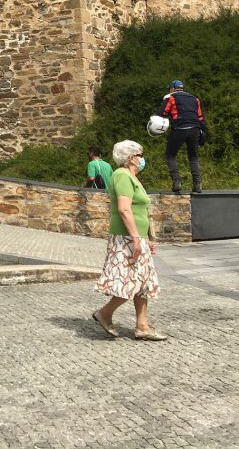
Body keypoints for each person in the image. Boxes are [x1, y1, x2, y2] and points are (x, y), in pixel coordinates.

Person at [92, 140, 167, 341]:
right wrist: (135, 238)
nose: (142, 159)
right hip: (125, 237)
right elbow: (124, 209)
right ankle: (104, 313)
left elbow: (141, 210)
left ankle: (142, 326)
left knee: (144, 282)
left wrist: (148, 238)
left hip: (136, 237)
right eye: (140, 155)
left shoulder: (133, 178)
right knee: (129, 281)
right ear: (131, 157)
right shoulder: (121, 176)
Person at [157, 79, 207, 194]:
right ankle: (197, 185)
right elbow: (200, 117)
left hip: (179, 129)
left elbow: (162, 113)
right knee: (193, 157)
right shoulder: (194, 99)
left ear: (173, 89)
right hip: (195, 130)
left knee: (170, 155)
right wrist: (203, 133)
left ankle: (176, 183)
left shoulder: (171, 97)